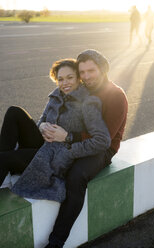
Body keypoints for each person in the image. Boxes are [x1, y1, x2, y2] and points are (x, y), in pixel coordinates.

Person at [43, 49, 128, 248]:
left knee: (76, 177)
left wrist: (68, 136)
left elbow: (103, 139)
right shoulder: (86, 89)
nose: (87, 76)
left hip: (103, 149)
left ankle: (56, 241)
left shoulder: (115, 95)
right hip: (76, 140)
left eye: (92, 71)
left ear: (103, 69)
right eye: (83, 72)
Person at [0, 58, 110, 203]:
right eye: (61, 79)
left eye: (70, 78)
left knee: (4, 159)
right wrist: (41, 126)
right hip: (44, 145)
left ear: (78, 78)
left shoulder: (89, 103)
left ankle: (4, 165)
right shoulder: (56, 96)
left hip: (55, 158)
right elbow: (42, 119)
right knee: (14, 111)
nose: (65, 83)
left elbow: (102, 141)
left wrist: (67, 138)